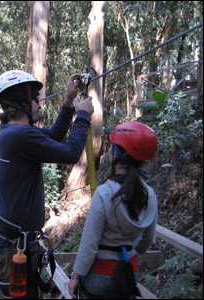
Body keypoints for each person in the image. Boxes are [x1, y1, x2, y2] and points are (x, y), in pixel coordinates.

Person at [0, 70, 94, 299]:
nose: (39, 104)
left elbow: (54, 135)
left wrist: (68, 103)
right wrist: (83, 116)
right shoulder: (19, 136)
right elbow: (71, 152)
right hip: (12, 247)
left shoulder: (10, 133)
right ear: (23, 102)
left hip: (13, 243)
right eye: (35, 99)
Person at [67, 121, 158, 299]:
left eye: (112, 148)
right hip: (129, 274)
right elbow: (145, 243)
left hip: (100, 274)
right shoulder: (150, 195)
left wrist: (76, 276)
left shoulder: (104, 194)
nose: (108, 152)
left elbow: (89, 243)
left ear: (117, 154)